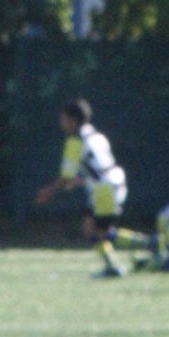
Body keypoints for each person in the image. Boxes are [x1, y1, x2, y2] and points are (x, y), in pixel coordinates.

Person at [34, 99, 130, 277]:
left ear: (73, 120)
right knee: (91, 227)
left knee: (100, 232)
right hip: (113, 183)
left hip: (104, 189)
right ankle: (117, 263)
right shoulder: (96, 134)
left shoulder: (75, 141)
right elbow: (98, 168)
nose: (61, 123)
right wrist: (78, 182)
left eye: (63, 119)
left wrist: (49, 191)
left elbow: (66, 177)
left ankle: (147, 246)